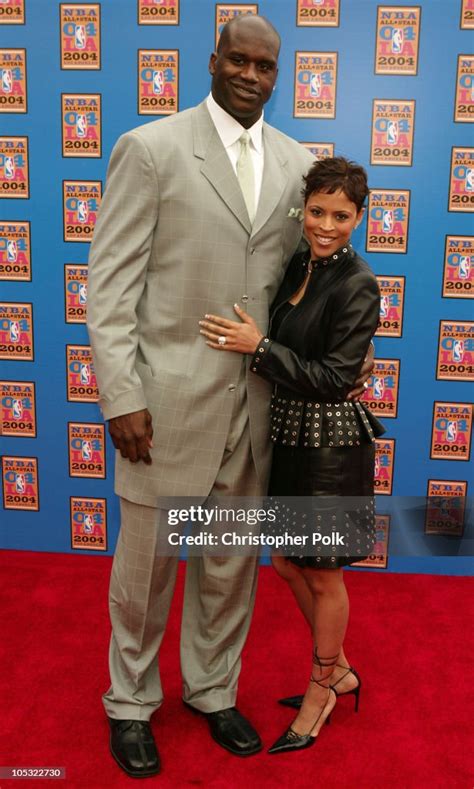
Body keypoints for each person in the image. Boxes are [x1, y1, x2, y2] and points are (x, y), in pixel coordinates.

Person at [87, 15, 372, 777]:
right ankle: (131, 701)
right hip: (164, 405)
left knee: (227, 567)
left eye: (266, 65)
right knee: (145, 571)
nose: (251, 74)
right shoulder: (151, 148)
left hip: (255, 412)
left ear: (279, 75)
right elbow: (109, 285)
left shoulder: (297, 163)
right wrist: (121, 395)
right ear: (212, 61)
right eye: (238, 60)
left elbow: (314, 273)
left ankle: (212, 690)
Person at [199, 156, 384, 755]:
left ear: (360, 217)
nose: (326, 224)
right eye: (317, 211)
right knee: (286, 562)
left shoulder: (358, 283)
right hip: (293, 437)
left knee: (323, 573)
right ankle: (340, 670)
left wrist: (261, 347)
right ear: (302, 210)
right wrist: (268, 341)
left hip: (332, 448)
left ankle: (320, 688)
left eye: (341, 215)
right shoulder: (302, 262)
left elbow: (333, 378)